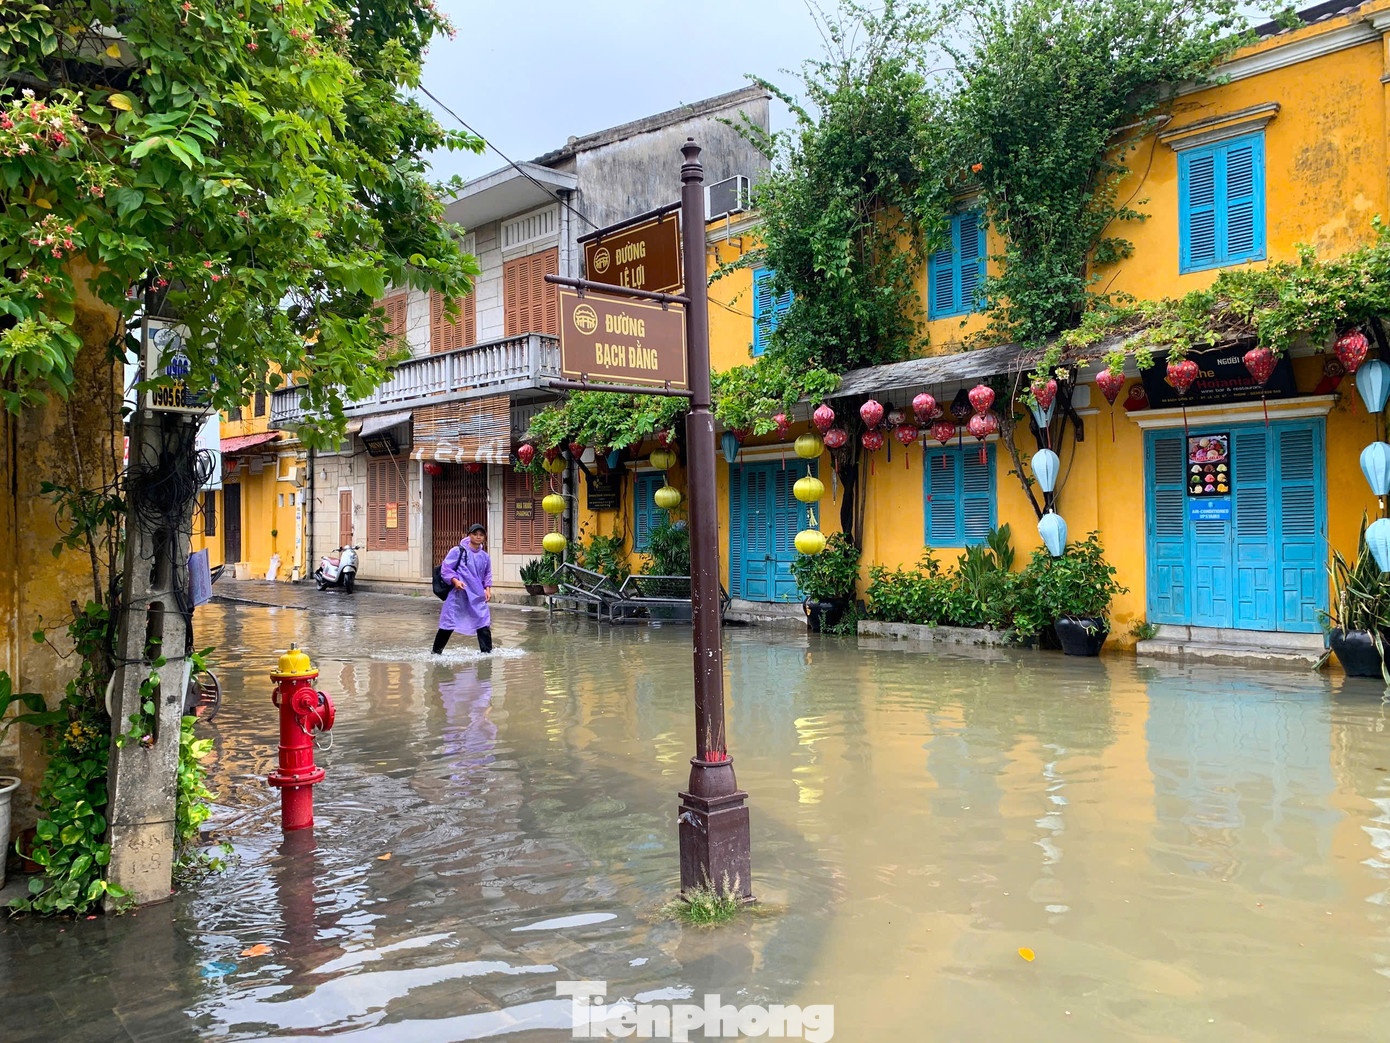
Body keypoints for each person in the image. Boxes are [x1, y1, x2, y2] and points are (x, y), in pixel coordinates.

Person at [432, 523, 493, 654]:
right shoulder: (457, 551)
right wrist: (455, 581)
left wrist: (487, 589)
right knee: (449, 622)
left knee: (483, 621)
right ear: (469, 535)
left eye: (481, 535)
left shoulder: (485, 556)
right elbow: (446, 569)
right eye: (475, 534)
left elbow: (487, 574)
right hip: (459, 594)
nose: (478, 537)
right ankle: (436, 652)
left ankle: (487, 654)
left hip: (477, 595)